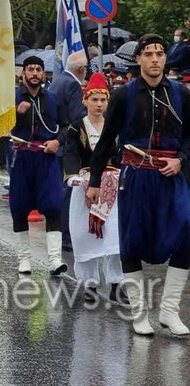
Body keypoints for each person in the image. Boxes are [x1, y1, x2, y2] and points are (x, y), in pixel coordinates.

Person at [89, 34, 190, 336]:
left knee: (185, 235)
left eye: (160, 53)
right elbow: (107, 140)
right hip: (135, 176)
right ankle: (139, 313)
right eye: (148, 54)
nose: (155, 59)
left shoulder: (181, 93)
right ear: (139, 59)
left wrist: (181, 159)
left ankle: (169, 312)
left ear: (165, 58)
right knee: (132, 240)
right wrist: (94, 181)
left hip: (171, 176)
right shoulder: (124, 95)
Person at [63, 72, 128, 305]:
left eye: (103, 100)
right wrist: (72, 176)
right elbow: (70, 153)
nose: (99, 104)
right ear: (85, 101)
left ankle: (116, 285)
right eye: (94, 100)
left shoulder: (115, 127)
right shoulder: (76, 128)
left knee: (114, 238)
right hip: (86, 187)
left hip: (112, 189)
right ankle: (89, 285)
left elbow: (122, 154)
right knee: (85, 236)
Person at [10, 55, 69, 276]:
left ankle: (54, 259)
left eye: (38, 70)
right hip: (22, 158)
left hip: (46, 158)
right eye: (30, 69)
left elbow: (66, 126)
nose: (35, 73)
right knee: (19, 207)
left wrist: (57, 142)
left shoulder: (53, 99)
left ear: (44, 74)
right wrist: (16, 113)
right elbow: (1, 127)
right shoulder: (13, 98)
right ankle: (24, 258)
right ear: (23, 73)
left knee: (53, 205)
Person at [50, 53, 89, 251]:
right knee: (70, 193)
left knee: (63, 192)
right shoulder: (72, 85)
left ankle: (61, 233)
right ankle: (67, 236)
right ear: (81, 69)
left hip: (59, 144)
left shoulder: (58, 81)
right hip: (68, 146)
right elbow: (77, 117)